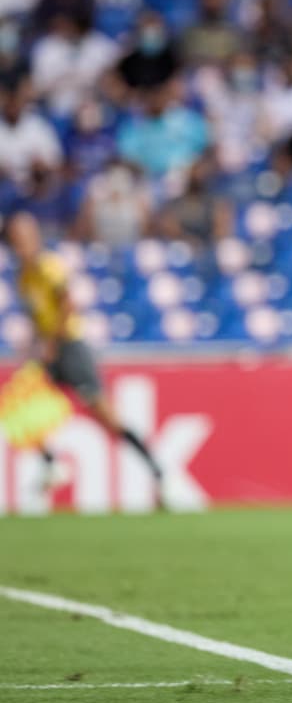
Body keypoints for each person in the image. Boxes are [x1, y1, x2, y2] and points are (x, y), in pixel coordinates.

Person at [5, 212, 167, 499]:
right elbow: (35, 316)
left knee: (105, 417)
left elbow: (68, 303)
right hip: (48, 351)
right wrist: (35, 346)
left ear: (34, 238)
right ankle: (50, 463)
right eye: (14, 239)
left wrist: (52, 343)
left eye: (23, 238)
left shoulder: (47, 267)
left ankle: (156, 469)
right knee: (18, 405)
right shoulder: (24, 276)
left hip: (70, 346)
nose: (20, 245)